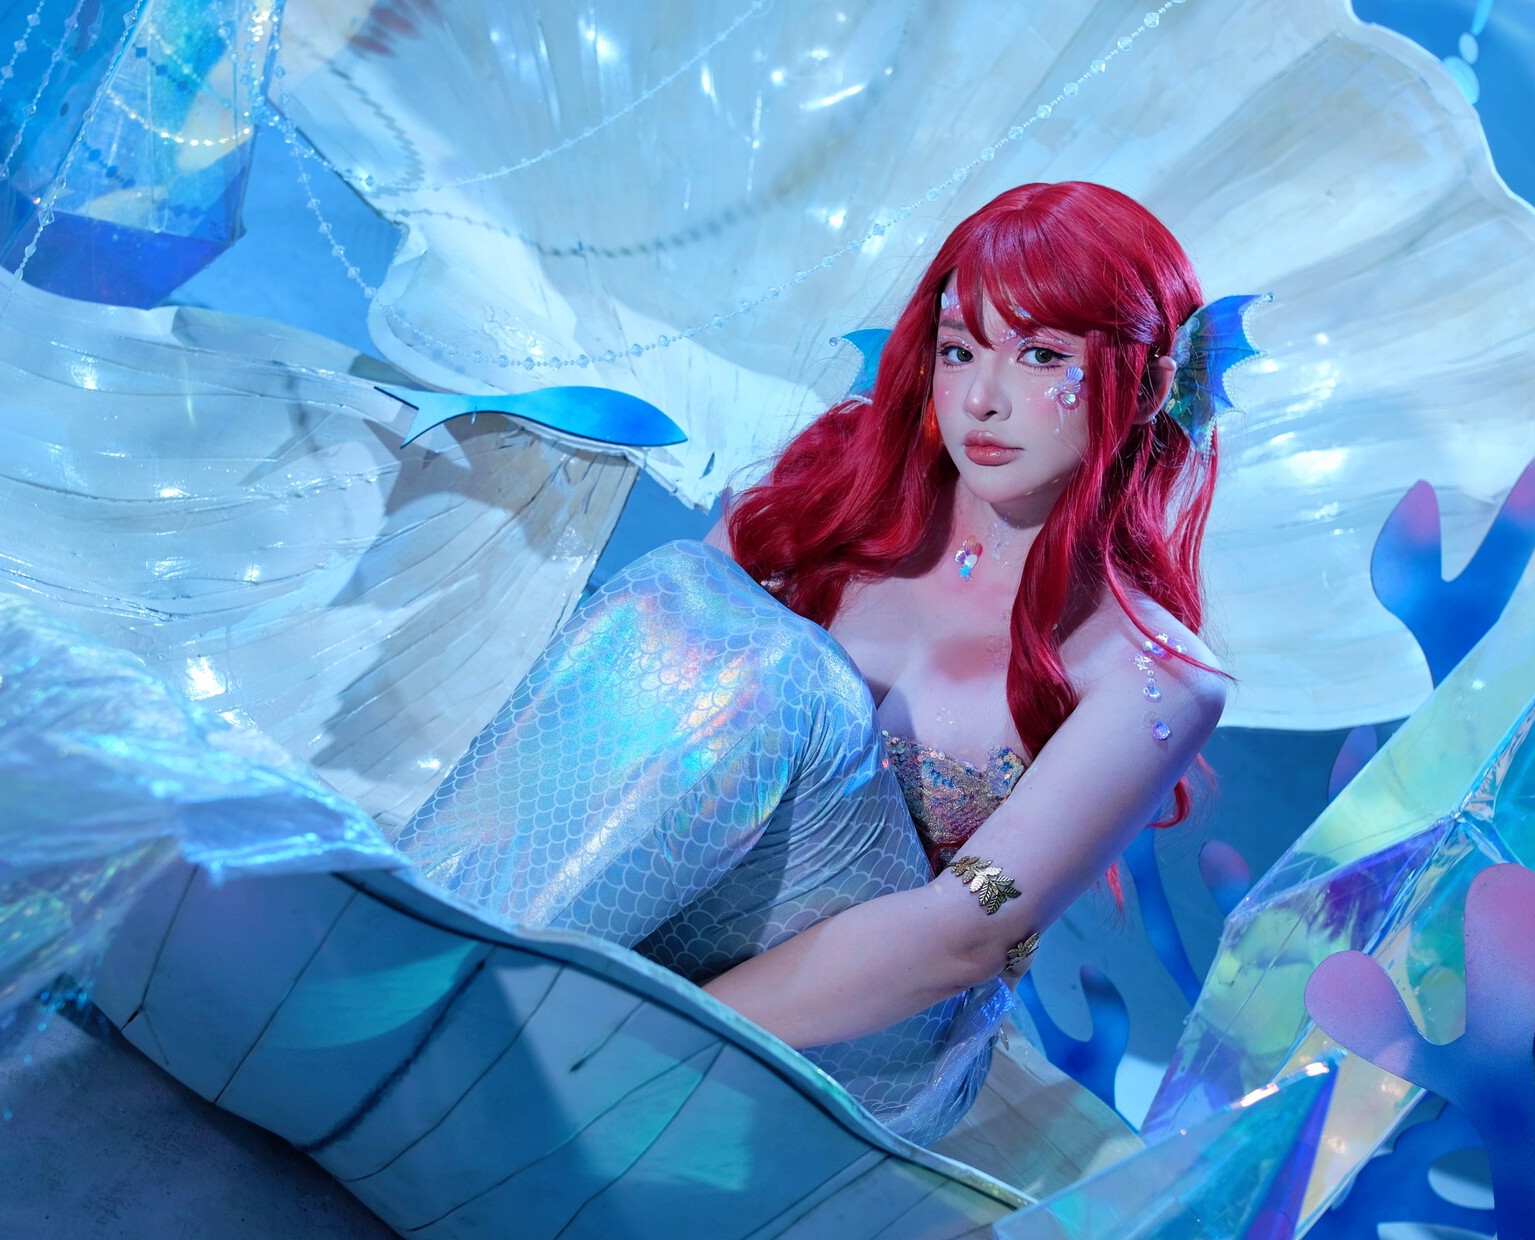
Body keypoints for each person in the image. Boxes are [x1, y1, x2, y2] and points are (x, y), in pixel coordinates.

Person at [397, 181, 1233, 1146]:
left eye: (1041, 356)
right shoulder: (850, 473)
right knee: (684, 590)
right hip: (669, 913)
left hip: (867, 1034)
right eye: (958, 349)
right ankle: (419, 935)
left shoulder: (1155, 673)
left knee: (789, 669)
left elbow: (967, 934)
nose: (981, 399)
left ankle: (466, 993)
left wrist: (634, 1039)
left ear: (1148, 385)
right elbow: (648, 700)